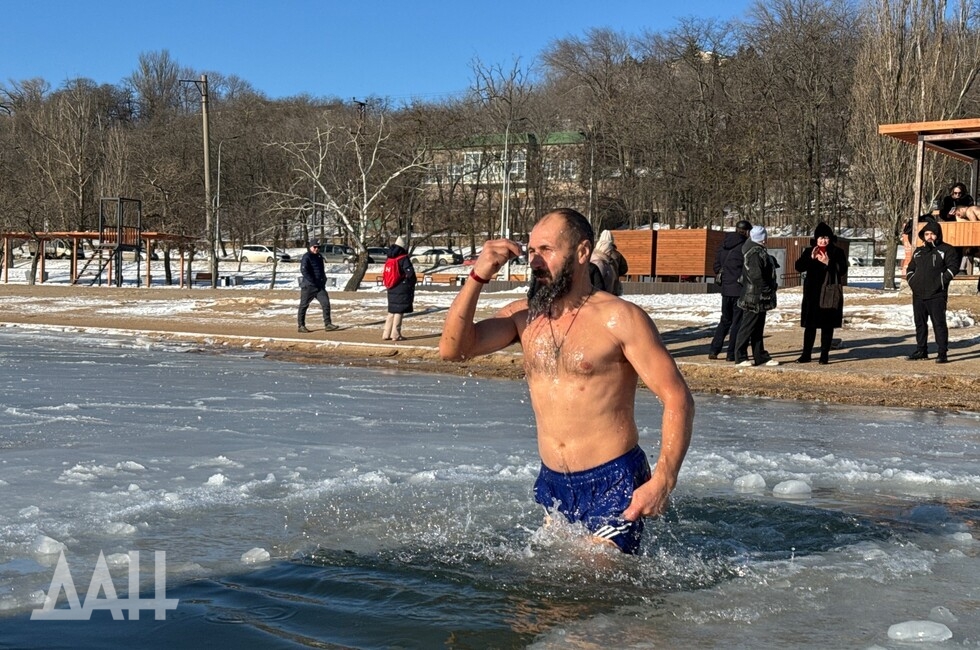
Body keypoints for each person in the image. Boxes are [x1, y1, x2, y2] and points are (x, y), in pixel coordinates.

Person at [439, 208, 694, 554]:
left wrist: (664, 479)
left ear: (582, 252)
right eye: (530, 251)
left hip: (614, 481)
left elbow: (677, 397)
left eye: (546, 250)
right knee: (550, 596)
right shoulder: (524, 318)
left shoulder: (619, 318)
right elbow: (453, 349)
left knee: (588, 586)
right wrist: (478, 276)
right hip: (553, 483)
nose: (535, 261)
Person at [794, 222, 849, 365]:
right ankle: (806, 354)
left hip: (829, 293)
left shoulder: (837, 252)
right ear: (816, 239)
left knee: (827, 325)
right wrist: (810, 258)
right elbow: (798, 267)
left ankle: (824, 354)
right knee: (810, 326)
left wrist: (828, 263)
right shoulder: (809, 251)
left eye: (826, 238)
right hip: (812, 294)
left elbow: (842, 270)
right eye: (820, 238)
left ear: (830, 238)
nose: (823, 241)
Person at [905, 220, 959, 363]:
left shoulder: (947, 250)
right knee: (920, 324)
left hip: (937, 294)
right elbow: (910, 269)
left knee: (939, 324)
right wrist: (912, 281)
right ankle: (921, 350)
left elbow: (953, 268)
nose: (929, 236)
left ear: (938, 235)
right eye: (926, 234)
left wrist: (940, 281)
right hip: (918, 294)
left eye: (932, 234)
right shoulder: (919, 251)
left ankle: (942, 352)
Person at [734, 226, 779, 367]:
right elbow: (755, 276)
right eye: (764, 236)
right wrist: (767, 289)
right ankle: (740, 357)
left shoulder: (757, 250)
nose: (766, 239)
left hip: (758, 296)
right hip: (753, 297)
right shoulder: (754, 253)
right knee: (748, 327)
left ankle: (760, 356)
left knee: (758, 328)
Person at [708, 219, 752, 361]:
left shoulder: (724, 244)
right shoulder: (746, 246)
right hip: (739, 289)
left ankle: (714, 350)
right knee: (737, 323)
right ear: (746, 231)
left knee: (725, 320)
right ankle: (731, 354)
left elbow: (716, 266)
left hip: (726, 289)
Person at [297, 239, 340, 333]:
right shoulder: (306, 257)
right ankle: (301, 325)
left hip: (319, 286)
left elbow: (321, 270)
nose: (316, 249)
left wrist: (323, 279)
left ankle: (328, 324)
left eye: (318, 247)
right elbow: (304, 270)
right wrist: (312, 281)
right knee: (304, 305)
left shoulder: (319, 257)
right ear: (310, 247)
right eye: (315, 247)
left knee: (326, 303)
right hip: (309, 286)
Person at [382, 236, 416, 341]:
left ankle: (386, 334)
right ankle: (396, 334)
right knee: (399, 311)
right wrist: (411, 281)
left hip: (391, 286)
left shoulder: (390, 257)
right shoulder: (403, 258)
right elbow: (410, 273)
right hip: (401, 287)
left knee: (391, 311)